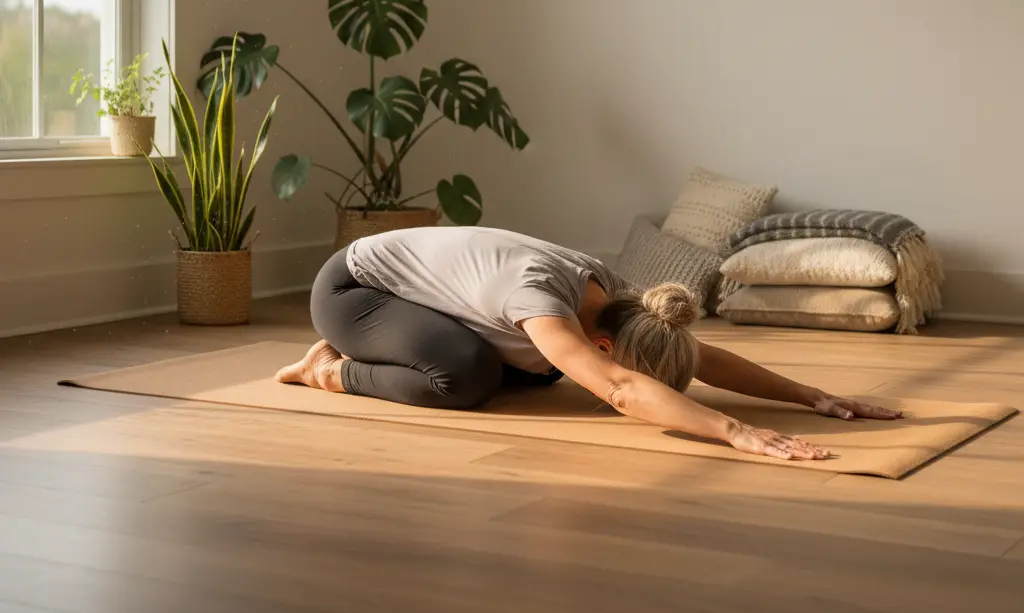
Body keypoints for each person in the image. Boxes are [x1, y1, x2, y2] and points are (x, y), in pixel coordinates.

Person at [276, 226, 900, 462]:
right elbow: (624, 390)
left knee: (541, 371)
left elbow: (697, 355)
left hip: (431, 298)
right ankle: (328, 370)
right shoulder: (540, 300)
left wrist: (810, 396)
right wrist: (736, 432)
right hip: (355, 290)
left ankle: (376, 354)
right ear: (603, 348)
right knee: (464, 379)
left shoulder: (623, 302)